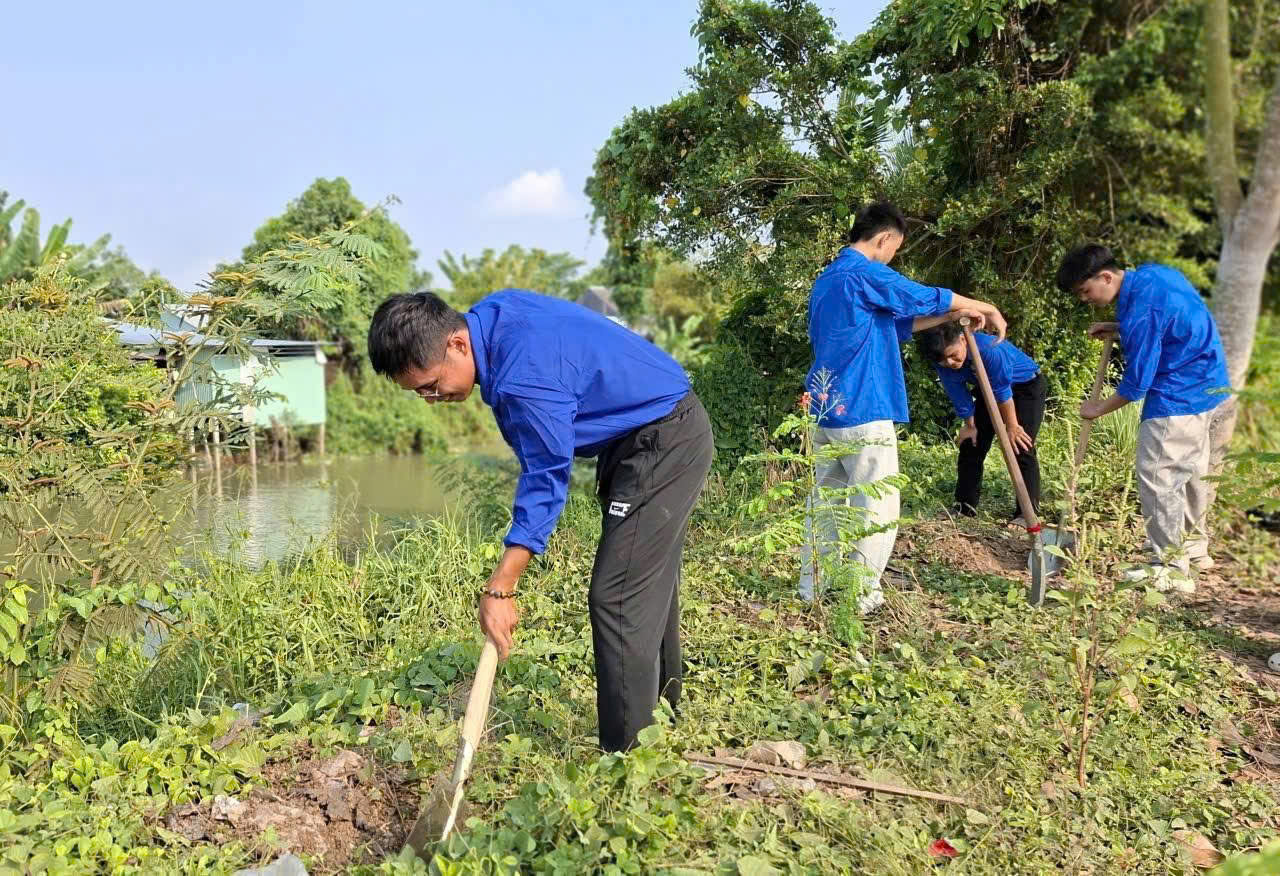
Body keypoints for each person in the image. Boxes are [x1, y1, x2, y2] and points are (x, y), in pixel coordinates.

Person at [367, 290, 714, 752]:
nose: (431, 399)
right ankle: (663, 712)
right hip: (639, 434)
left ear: (457, 344)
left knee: (617, 596)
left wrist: (501, 588)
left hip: (664, 437)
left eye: (430, 385)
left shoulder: (520, 377)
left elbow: (546, 477)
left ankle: (627, 758)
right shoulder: (494, 316)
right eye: (418, 393)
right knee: (642, 576)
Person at [803, 202, 1007, 611]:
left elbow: (895, 324)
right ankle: (862, 597)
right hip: (863, 407)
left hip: (826, 411)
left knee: (826, 505)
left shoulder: (827, 282)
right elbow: (918, 295)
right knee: (876, 506)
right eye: (895, 249)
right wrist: (985, 306)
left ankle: (813, 587)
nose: (893, 257)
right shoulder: (863, 272)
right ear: (884, 239)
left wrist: (954, 314)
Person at [1055, 244, 1231, 592]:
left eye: (1085, 291)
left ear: (1106, 277)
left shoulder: (1140, 312)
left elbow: (1136, 384)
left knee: (1158, 475)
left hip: (1179, 394)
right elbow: (1170, 321)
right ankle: (1194, 549)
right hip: (1210, 382)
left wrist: (1097, 408)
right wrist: (1119, 327)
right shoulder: (1154, 274)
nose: (1085, 299)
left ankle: (1170, 568)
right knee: (1192, 469)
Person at [914, 322, 1046, 523]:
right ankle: (964, 508)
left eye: (953, 355)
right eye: (944, 360)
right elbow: (958, 394)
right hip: (988, 391)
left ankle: (1026, 515)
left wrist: (1012, 426)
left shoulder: (989, 349)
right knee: (971, 444)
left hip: (1025, 387)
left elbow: (1002, 390)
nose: (950, 363)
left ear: (962, 339)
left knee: (1019, 445)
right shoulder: (941, 361)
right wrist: (970, 425)